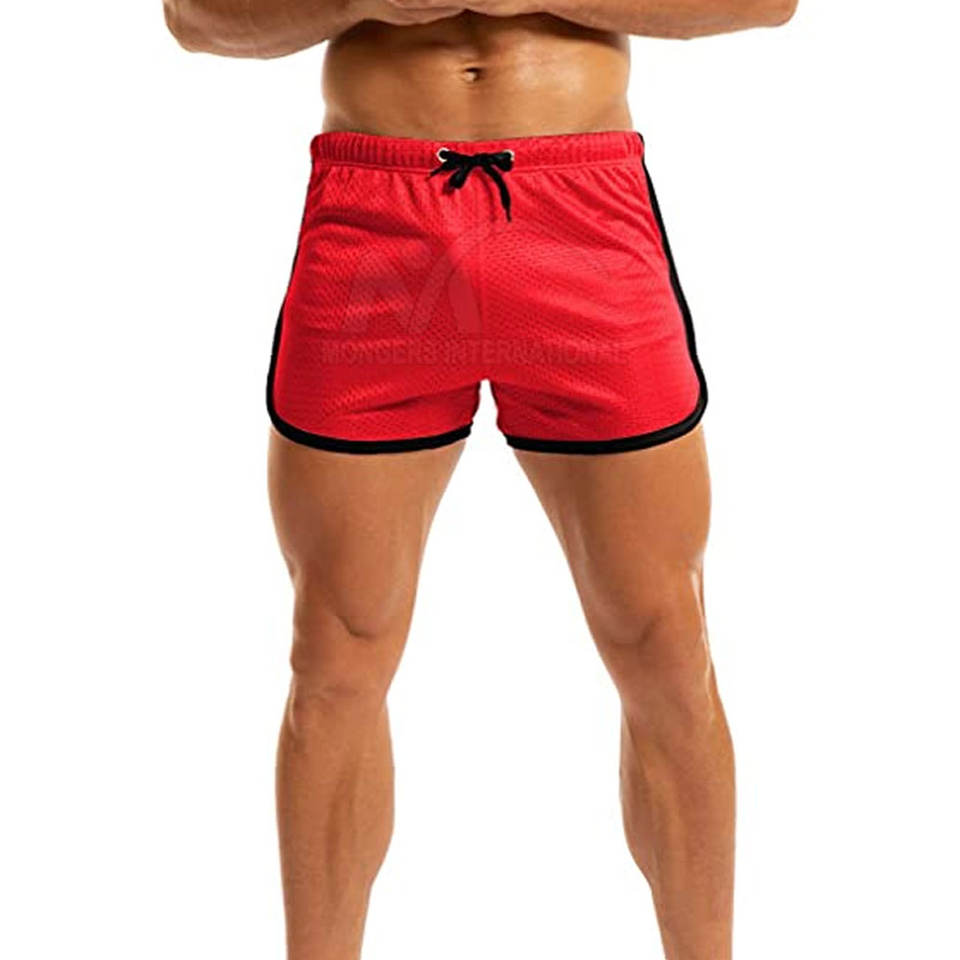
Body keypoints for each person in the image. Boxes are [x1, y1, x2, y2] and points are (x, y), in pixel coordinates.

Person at [164, 1, 796, 957]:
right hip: (379, 222)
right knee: (336, 652)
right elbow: (196, 17)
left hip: (579, 213)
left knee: (664, 642)